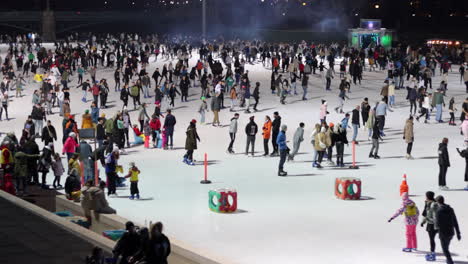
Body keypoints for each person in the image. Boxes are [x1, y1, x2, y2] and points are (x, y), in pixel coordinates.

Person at [435, 195, 461, 264]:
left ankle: (450, 261)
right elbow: (455, 221)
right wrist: (458, 233)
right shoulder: (451, 209)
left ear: (438, 202)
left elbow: (437, 224)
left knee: (445, 249)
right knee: (446, 248)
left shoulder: (438, 211)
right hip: (451, 232)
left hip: (443, 233)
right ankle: (448, 260)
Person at [420, 191, 439, 261]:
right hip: (435, 224)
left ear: (428, 196)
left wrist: (424, 221)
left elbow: (429, 215)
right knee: (432, 239)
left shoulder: (431, 204)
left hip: (431, 225)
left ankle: (432, 254)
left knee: (432, 239)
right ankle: (432, 253)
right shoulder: (433, 203)